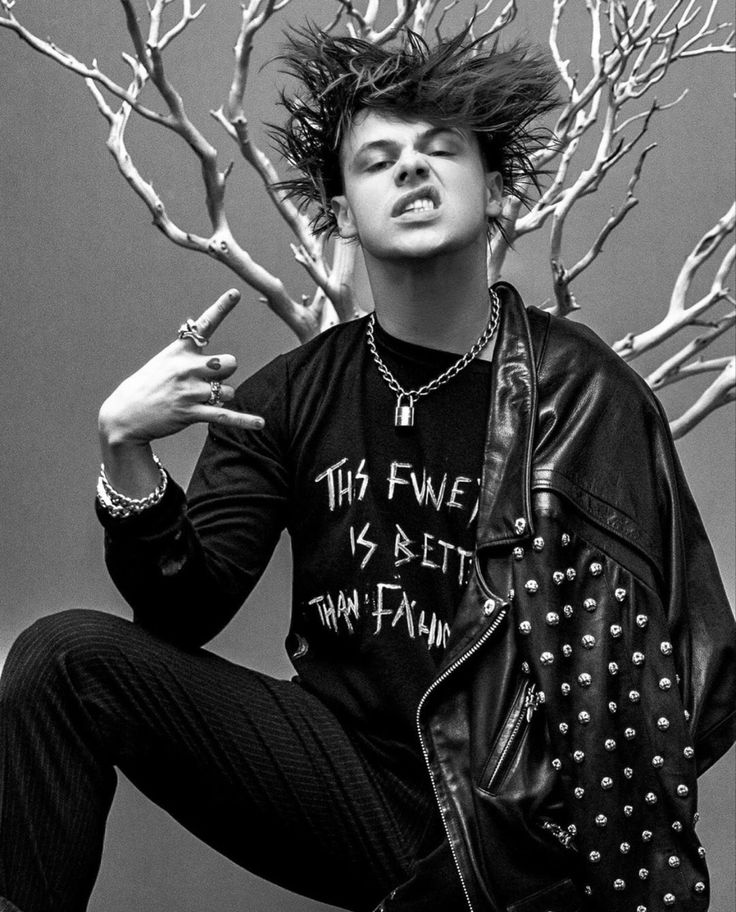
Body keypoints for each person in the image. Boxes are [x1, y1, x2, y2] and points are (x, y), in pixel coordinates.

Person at [0, 26, 734, 912]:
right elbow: (184, 608)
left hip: (517, 819)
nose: (412, 172)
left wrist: (541, 825)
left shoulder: (586, 394)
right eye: (378, 159)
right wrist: (127, 453)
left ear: (494, 187)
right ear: (342, 211)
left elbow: (698, 676)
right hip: (345, 781)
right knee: (61, 661)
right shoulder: (295, 393)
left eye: (440, 151)